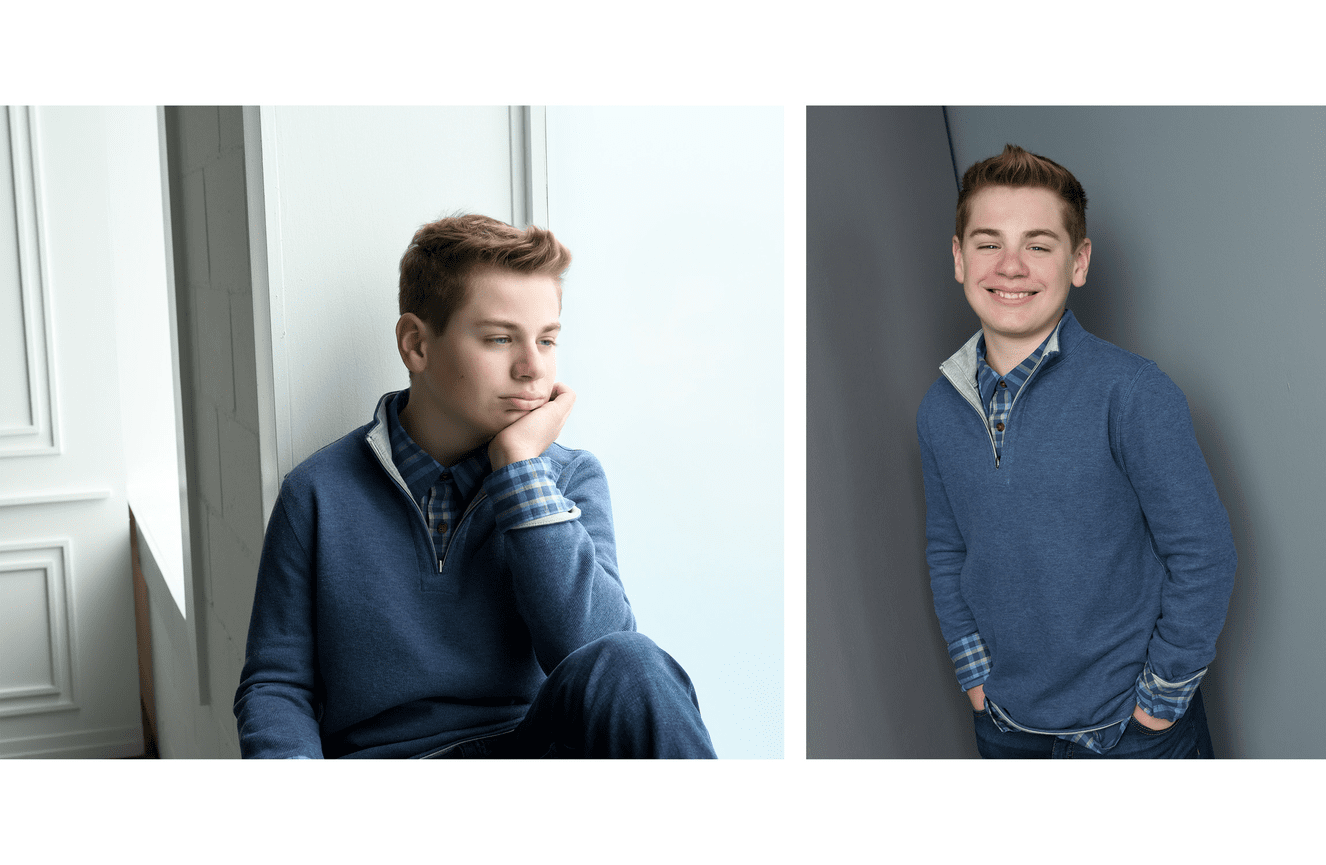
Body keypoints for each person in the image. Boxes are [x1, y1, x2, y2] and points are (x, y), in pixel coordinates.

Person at [234, 214, 716, 759]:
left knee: (633, 661)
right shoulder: (316, 493)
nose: (533, 368)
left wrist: (520, 471)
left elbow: (594, 653)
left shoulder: (569, 479)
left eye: (548, 340)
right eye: (500, 338)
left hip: (533, 753)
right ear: (416, 344)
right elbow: (276, 686)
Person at [916, 145, 1237, 758]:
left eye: (1038, 245)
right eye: (988, 243)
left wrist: (1156, 708)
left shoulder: (1134, 393)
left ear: (1079, 262)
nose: (1011, 266)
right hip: (1007, 730)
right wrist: (976, 679)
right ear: (959, 259)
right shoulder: (938, 409)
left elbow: (1204, 555)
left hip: (1129, 736)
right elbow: (948, 548)